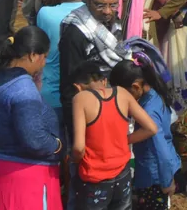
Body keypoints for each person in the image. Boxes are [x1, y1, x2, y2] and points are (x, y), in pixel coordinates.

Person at [0, 25, 64, 210]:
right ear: (32, 55)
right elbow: (34, 140)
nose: (44, 63)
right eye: (44, 57)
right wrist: (57, 145)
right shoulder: (23, 89)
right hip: (23, 180)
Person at [68, 60, 159, 210]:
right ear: (103, 81)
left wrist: (74, 160)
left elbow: (78, 147)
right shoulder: (122, 93)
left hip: (95, 179)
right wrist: (126, 140)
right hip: (122, 174)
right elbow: (151, 128)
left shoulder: (81, 99)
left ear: (77, 87)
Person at [110, 54, 181, 210]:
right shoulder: (153, 94)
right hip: (158, 171)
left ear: (136, 87)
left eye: (124, 95)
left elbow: (160, 149)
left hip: (155, 177)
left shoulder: (148, 111)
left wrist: (166, 181)